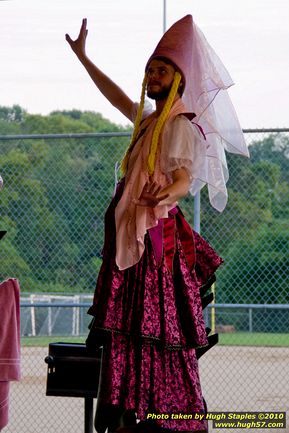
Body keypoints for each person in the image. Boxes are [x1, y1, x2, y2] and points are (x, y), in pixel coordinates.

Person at [66, 15, 249, 433]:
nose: (152, 76)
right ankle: (128, 410)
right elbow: (115, 97)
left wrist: (165, 195)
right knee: (128, 330)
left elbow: (183, 178)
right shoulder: (149, 121)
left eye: (161, 70)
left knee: (153, 328)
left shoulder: (180, 125)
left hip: (154, 245)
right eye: (150, 69)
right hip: (129, 245)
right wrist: (84, 59)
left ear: (178, 78)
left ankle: (158, 412)